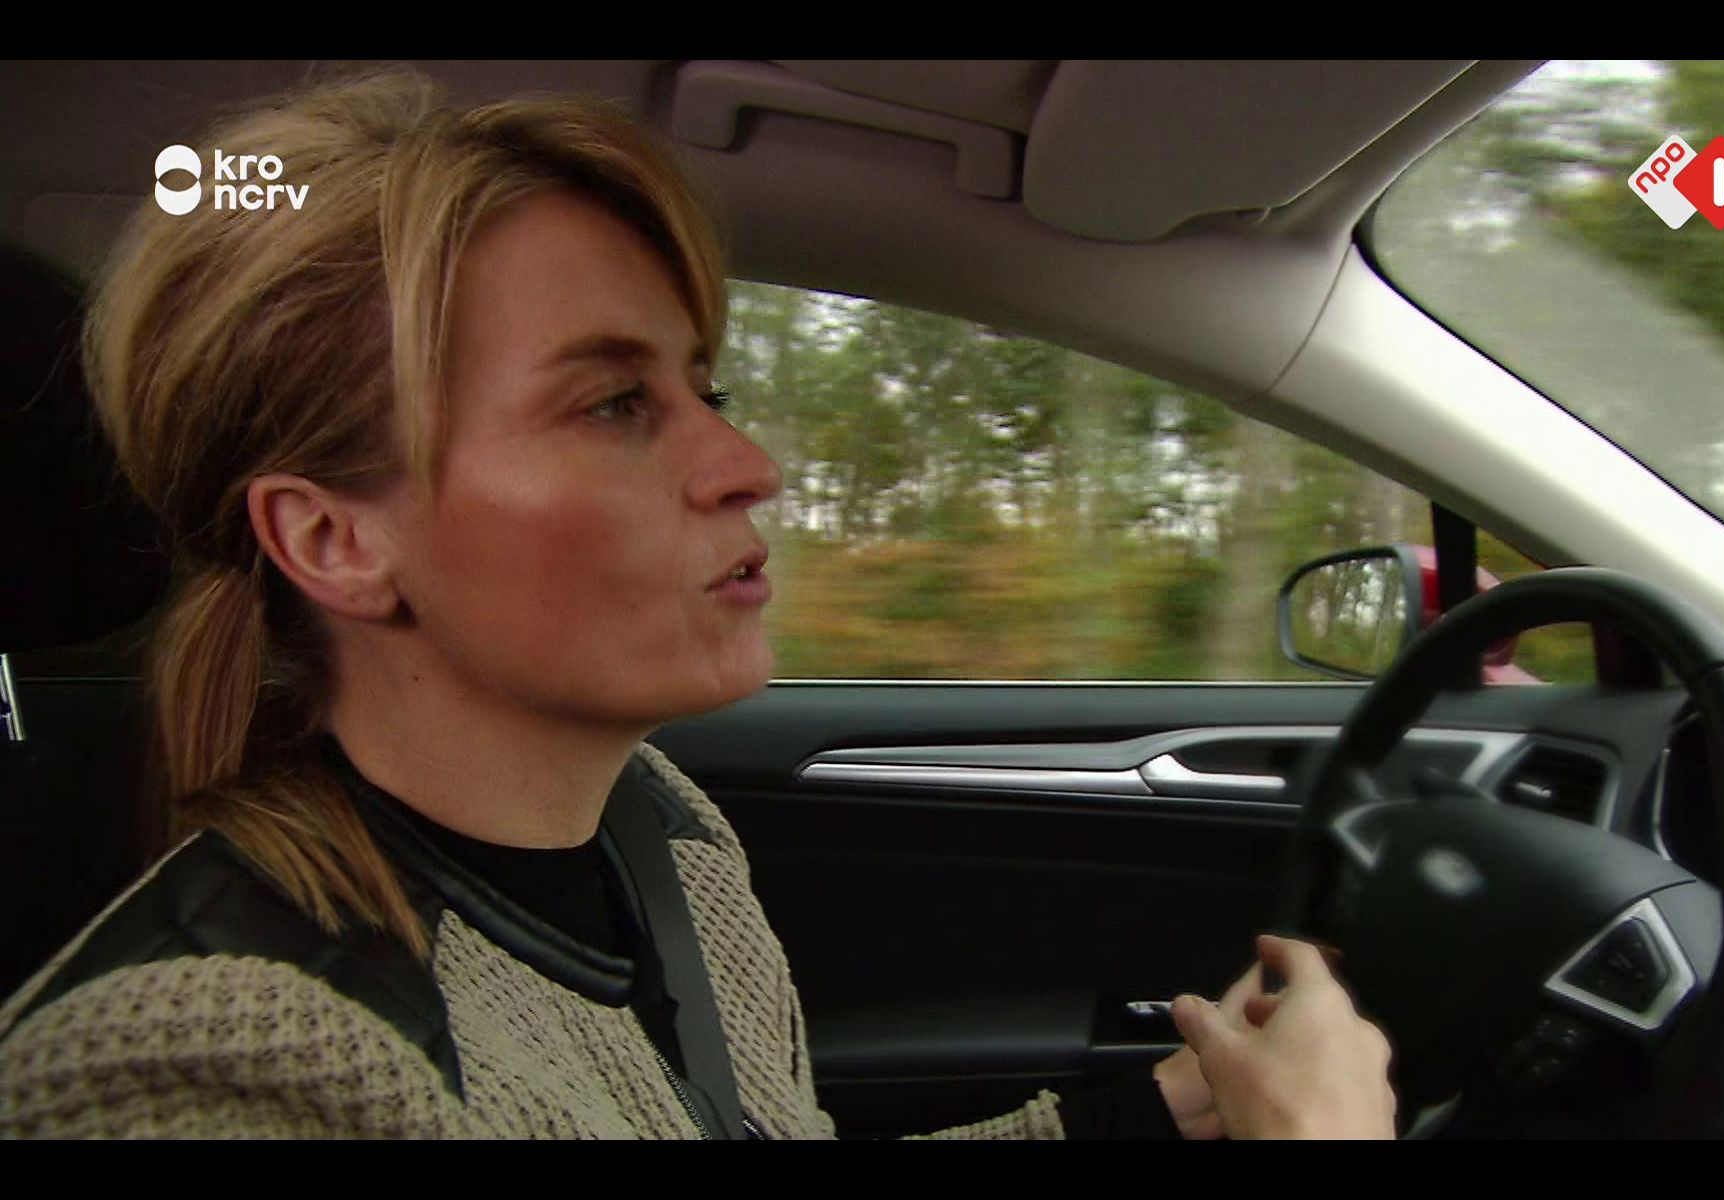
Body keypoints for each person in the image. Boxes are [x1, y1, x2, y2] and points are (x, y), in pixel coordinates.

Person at [0, 70, 1396, 1140]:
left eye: (702, 389)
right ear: (334, 540)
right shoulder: (210, 1068)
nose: (745, 463)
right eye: (613, 403)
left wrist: (1151, 1113)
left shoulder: (658, 833)